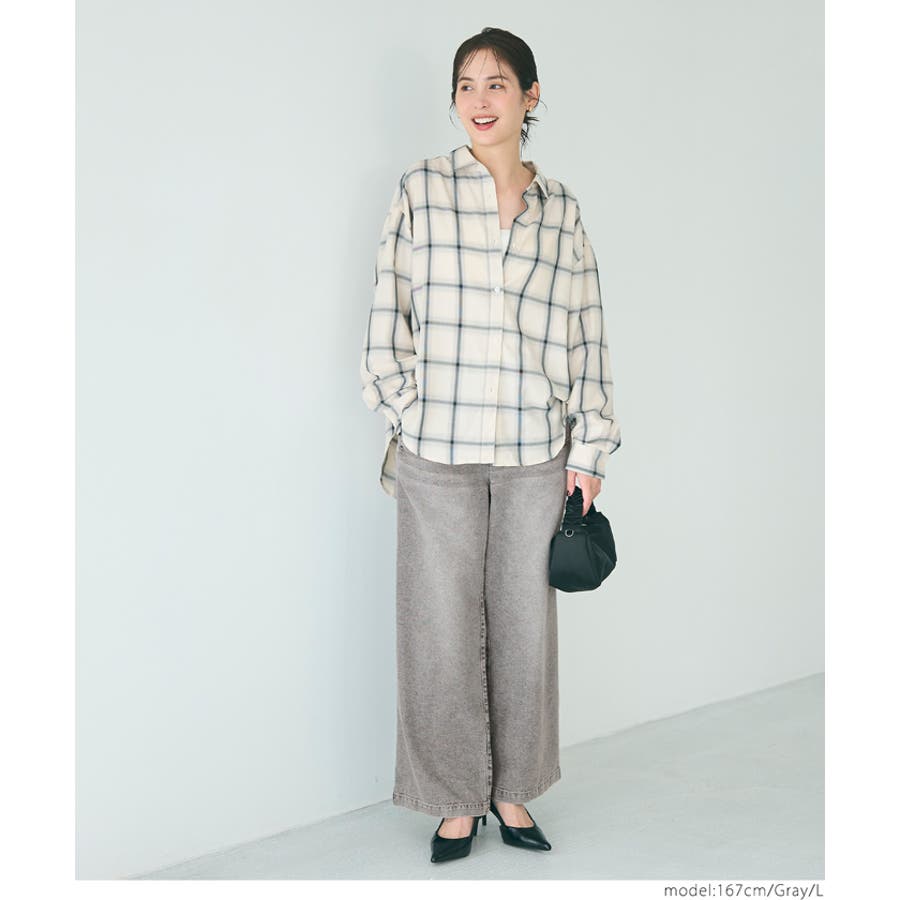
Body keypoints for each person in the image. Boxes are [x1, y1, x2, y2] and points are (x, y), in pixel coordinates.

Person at [360, 27, 622, 864]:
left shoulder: (562, 210)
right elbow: (387, 315)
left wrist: (589, 450)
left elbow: (587, 335)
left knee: (522, 631)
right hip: (436, 452)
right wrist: (407, 410)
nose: (480, 99)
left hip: (534, 453)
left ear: (530, 96)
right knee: (438, 631)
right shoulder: (422, 190)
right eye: (467, 84)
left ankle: (512, 789)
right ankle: (452, 799)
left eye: (498, 83)